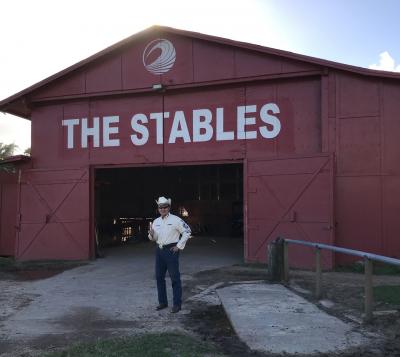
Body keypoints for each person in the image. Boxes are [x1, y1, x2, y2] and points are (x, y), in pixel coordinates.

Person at [148, 196, 191, 313]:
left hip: (171, 251)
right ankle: (163, 302)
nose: (163, 209)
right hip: (159, 251)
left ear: (169, 207)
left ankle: (177, 304)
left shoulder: (176, 220)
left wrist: (179, 246)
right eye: (160, 207)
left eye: (165, 207)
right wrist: (151, 234)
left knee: (175, 278)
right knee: (159, 277)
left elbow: (187, 231)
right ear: (158, 208)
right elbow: (153, 238)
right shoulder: (156, 222)